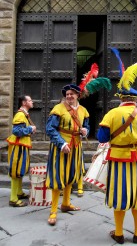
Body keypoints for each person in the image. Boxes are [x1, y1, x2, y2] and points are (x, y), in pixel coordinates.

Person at [97, 48, 137, 244]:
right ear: (136, 99)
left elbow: (102, 137)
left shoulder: (111, 114)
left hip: (118, 158)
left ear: (121, 97)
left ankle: (119, 233)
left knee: (119, 195)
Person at [46, 84, 90, 226]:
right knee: (58, 177)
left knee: (71, 175)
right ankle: (53, 211)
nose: (69, 96)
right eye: (67, 94)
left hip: (76, 146)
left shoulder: (84, 110)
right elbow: (50, 129)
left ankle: (66, 203)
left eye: (72, 94)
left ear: (78, 95)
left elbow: (87, 125)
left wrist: (85, 131)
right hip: (61, 147)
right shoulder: (58, 109)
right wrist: (61, 144)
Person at [6, 95, 36, 207]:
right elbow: (16, 131)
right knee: (16, 171)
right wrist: (30, 129)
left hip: (22, 145)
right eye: (30, 100)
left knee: (20, 169)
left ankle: (18, 192)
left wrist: (29, 130)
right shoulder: (20, 115)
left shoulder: (24, 114)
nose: (32, 102)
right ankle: (13, 198)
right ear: (24, 103)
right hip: (18, 146)